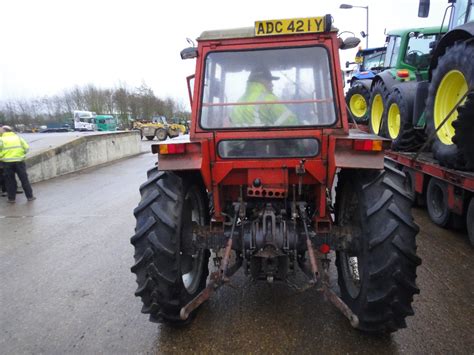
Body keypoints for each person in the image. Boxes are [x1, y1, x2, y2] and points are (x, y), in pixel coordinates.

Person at [231, 66, 297, 127]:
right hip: (263, 139)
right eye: (269, 81)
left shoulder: (238, 102)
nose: (272, 84)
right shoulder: (269, 100)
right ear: (261, 81)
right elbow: (291, 123)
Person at [0, 125, 35, 203]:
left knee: (10, 181)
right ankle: (30, 197)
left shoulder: (1, 139)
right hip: (19, 161)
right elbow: (26, 148)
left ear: (4, 131)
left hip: (7, 163)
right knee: (24, 179)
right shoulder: (18, 138)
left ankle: (11, 199)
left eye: (1, 129)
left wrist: (2, 156)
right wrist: (21, 155)